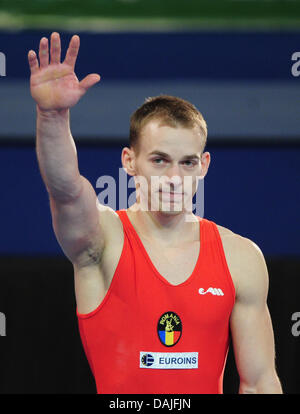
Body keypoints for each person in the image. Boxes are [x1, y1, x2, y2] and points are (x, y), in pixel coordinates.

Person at [28, 32, 282, 394]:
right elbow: (66, 190)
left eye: (187, 162)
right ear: (129, 162)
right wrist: (51, 116)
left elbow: (259, 384)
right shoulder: (101, 239)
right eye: (160, 160)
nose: (175, 178)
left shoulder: (240, 256)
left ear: (204, 165)